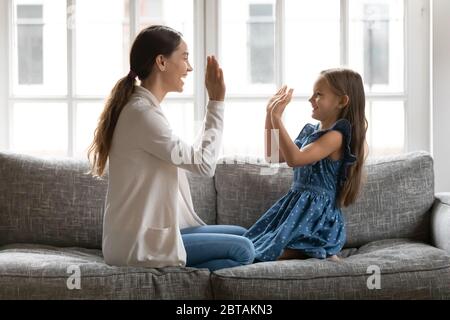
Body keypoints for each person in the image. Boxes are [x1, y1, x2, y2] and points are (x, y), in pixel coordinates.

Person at [87, 25, 254, 271]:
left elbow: (195, 158)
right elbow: (205, 165)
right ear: (161, 62)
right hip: (137, 244)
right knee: (243, 249)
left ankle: (196, 269)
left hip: (153, 234)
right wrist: (216, 103)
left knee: (243, 234)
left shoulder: (144, 108)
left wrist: (213, 105)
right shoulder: (142, 114)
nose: (190, 67)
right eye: (185, 57)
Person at [244, 68, 368, 262]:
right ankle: (314, 252)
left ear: (342, 101)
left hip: (317, 218)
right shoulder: (312, 131)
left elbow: (295, 159)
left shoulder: (336, 137)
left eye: (318, 94)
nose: (311, 99)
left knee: (259, 253)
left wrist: (277, 119)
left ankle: (319, 249)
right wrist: (270, 114)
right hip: (296, 208)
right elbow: (272, 155)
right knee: (255, 244)